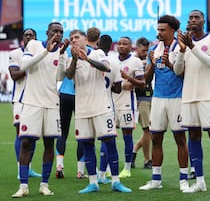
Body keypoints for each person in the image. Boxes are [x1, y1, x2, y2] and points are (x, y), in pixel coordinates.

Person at [64, 29, 131, 194]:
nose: (73, 40)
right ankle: (93, 182)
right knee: (87, 145)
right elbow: (69, 75)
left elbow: (106, 68)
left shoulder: (97, 53)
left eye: (76, 37)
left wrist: (87, 59)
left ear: (85, 39)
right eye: (71, 38)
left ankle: (115, 180)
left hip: (101, 107)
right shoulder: (69, 58)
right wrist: (74, 59)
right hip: (82, 109)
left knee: (109, 142)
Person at [173, 10, 210, 196]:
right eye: (190, 18)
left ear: (203, 20)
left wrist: (192, 47)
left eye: (196, 17)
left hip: (207, 96)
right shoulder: (182, 43)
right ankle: (200, 182)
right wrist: (182, 50)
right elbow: (177, 70)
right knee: (193, 138)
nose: (193, 20)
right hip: (188, 97)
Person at [12, 22, 64, 198]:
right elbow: (24, 66)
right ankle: (24, 186)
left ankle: (44, 184)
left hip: (51, 104)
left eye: (61, 32)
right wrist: (45, 51)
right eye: (55, 31)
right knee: (27, 142)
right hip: (32, 102)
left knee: (50, 143)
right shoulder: (33, 44)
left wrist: (64, 58)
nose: (58, 34)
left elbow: (61, 76)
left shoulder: (61, 51)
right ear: (47, 33)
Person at [139, 15, 189, 191]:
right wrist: (152, 64)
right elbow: (147, 79)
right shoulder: (154, 49)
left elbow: (185, 75)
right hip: (158, 98)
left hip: (177, 98)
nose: (159, 32)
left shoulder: (181, 49)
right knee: (156, 138)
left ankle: (183, 179)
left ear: (172, 30)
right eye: (158, 29)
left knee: (180, 139)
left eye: (162, 30)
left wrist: (168, 63)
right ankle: (156, 180)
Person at [8, 28, 41, 180]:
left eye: (31, 35)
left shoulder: (40, 53)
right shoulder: (15, 54)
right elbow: (14, 75)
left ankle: (28, 167)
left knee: (32, 135)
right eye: (26, 35)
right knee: (21, 134)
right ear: (23, 38)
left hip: (36, 100)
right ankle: (19, 168)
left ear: (36, 38)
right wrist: (30, 66)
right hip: (20, 100)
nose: (28, 37)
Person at [112, 36, 145, 179]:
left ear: (130, 46)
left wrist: (127, 79)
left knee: (127, 136)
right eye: (119, 43)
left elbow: (141, 82)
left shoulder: (135, 61)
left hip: (127, 104)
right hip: (111, 103)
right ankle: (108, 167)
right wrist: (121, 85)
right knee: (109, 137)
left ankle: (126, 167)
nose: (121, 46)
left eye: (125, 44)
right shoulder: (112, 60)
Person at [55, 36, 86, 179]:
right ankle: (80, 171)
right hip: (79, 96)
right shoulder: (88, 53)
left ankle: (59, 166)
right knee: (82, 133)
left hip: (64, 95)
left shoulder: (65, 53)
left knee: (63, 132)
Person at [96, 34, 123, 184]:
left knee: (86, 141)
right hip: (107, 105)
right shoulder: (114, 62)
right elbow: (118, 89)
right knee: (107, 141)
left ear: (98, 43)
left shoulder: (90, 58)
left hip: (89, 104)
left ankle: (91, 176)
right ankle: (103, 174)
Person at [132, 37, 153, 169]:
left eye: (147, 50)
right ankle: (147, 160)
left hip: (151, 95)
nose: (145, 53)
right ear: (137, 48)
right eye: (143, 50)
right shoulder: (134, 62)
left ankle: (133, 152)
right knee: (148, 129)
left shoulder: (147, 60)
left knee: (151, 130)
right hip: (140, 98)